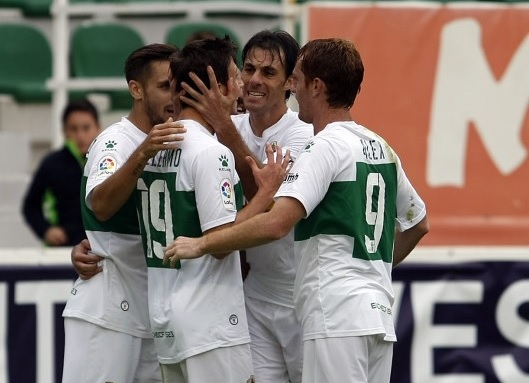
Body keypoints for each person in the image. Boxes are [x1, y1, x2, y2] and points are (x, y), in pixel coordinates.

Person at [165, 38, 430, 383]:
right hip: (374, 311)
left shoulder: (322, 145)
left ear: (316, 87)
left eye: (297, 78)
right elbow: (419, 222)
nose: (294, 86)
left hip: (333, 311)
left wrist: (201, 244)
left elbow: (277, 223)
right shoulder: (380, 145)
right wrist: (372, 265)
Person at [139, 36, 288, 383]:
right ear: (218, 87)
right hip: (209, 323)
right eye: (236, 77)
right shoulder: (210, 152)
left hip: (164, 316)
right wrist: (265, 194)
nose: (241, 86)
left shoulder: (157, 146)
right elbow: (219, 244)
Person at [178, 30, 312, 383]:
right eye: (249, 68)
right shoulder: (226, 128)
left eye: (268, 73)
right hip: (251, 295)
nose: (254, 80)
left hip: (299, 297)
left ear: (290, 83)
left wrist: (224, 128)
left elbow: (272, 204)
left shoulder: (302, 135)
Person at [61, 43, 185, 383]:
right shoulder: (116, 142)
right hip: (108, 314)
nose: (173, 95)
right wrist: (142, 153)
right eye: (163, 86)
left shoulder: (174, 139)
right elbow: (99, 204)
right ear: (136, 89)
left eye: (176, 85)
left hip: (151, 313)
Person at [22, 98, 100, 246]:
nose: (80, 136)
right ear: (64, 131)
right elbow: (30, 206)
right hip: (62, 252)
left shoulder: (109, 161)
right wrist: (46, 230)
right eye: (73, 129)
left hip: (102, 250)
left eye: (86, 128)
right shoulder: (51, 164)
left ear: (98, 127)